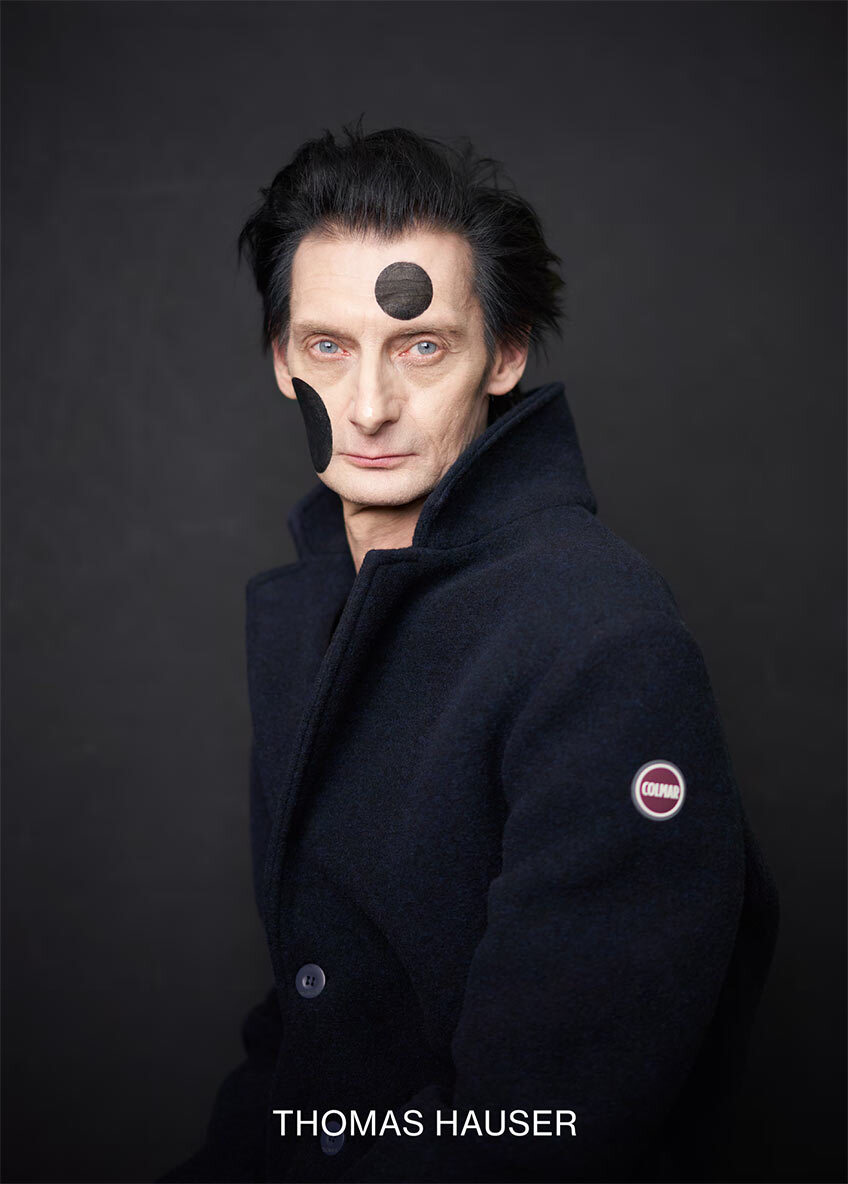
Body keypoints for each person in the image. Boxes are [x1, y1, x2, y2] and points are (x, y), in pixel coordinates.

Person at [159, 121, 779, 1184]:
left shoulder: (600, 638)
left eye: (421, 345)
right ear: (280, 362)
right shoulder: (312, 609)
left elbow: (545, 1124)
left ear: (506, 351)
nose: (368, 407)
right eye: (327, 347)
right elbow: (317, 1018)